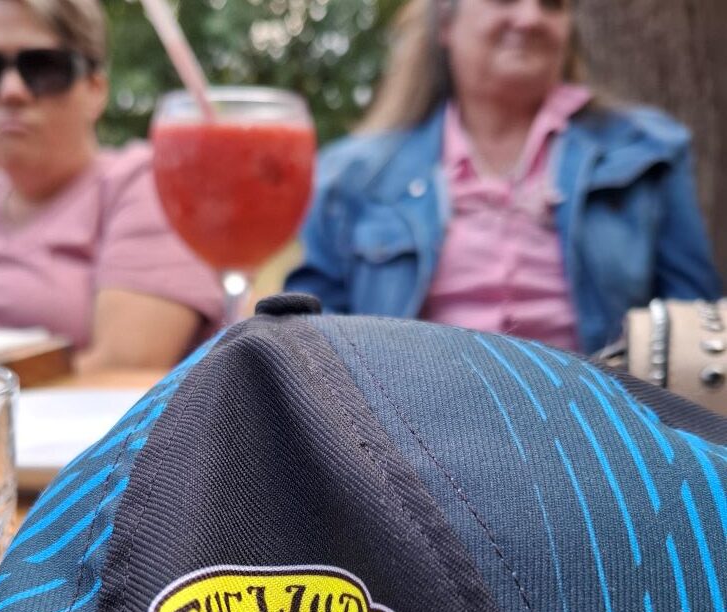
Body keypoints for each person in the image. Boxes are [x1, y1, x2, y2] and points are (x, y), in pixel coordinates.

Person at [285, 0, 722, 355]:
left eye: (552, 5)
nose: (530, 17)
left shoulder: (647, 153)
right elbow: (305, 343)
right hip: (409, 444)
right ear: (445, 25)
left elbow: (696, 336)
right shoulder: (351, 176)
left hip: (601, 440)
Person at [0, 0, 224, 371]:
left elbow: (123, 370)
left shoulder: (146, 184)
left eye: (42, 67)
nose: (10, 91)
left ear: (95, 88)